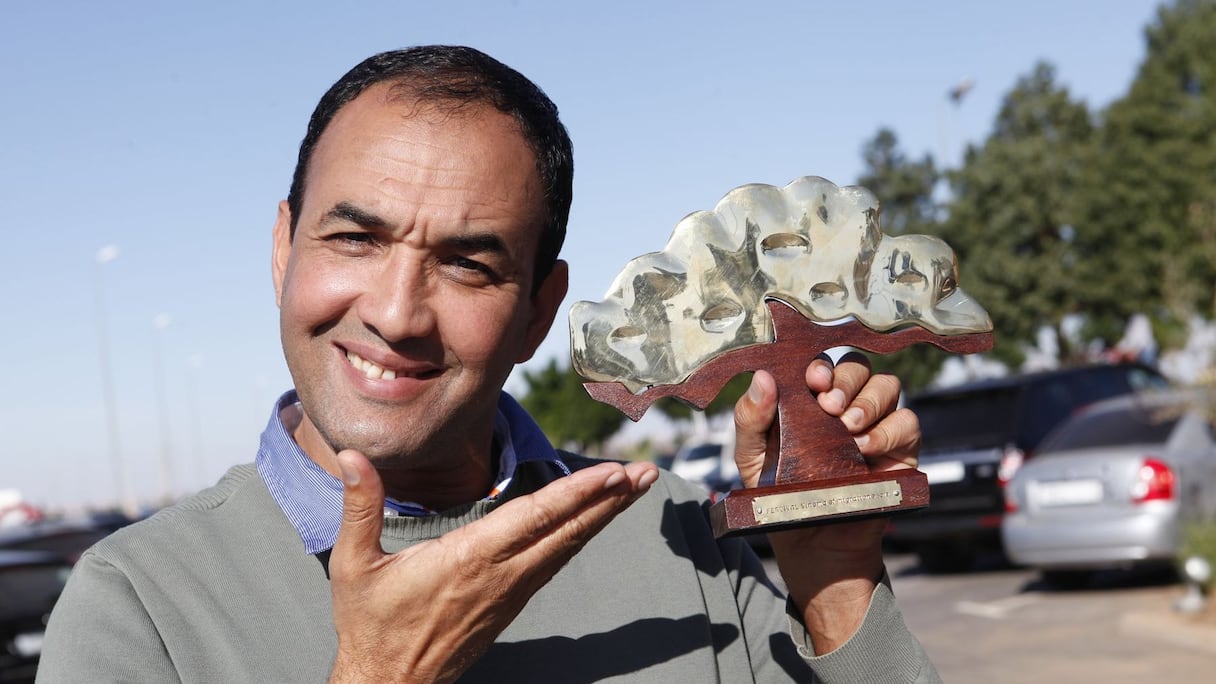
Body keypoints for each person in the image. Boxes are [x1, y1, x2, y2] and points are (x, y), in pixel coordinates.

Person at [38, 45, 939, 683]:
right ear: (284, 249)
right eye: (354, 238)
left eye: (468, 265)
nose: (395, 314)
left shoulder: (673, 538)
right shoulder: (141, 604)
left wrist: (832, 579)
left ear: (539, 312)